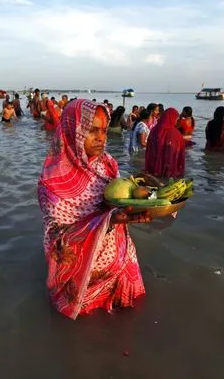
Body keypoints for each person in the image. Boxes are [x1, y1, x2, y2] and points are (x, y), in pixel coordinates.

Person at [37, 99, 150, 319]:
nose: (101, 138)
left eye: (104, 131)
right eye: (92, 131)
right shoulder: (51, 184)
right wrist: (109, 220)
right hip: (85, 277)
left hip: (117, 260)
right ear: (72, 130)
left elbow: (120, 199)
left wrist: (138, 207)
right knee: (89, 330)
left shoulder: (107, 164)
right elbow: (57, 238)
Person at [145, 108, 186, 178]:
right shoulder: (175, 133)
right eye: (176, 119)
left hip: (153, 168)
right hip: (169, 170)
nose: (176, 121)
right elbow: (177, 152)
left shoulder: (154, 130)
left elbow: (149, 149)